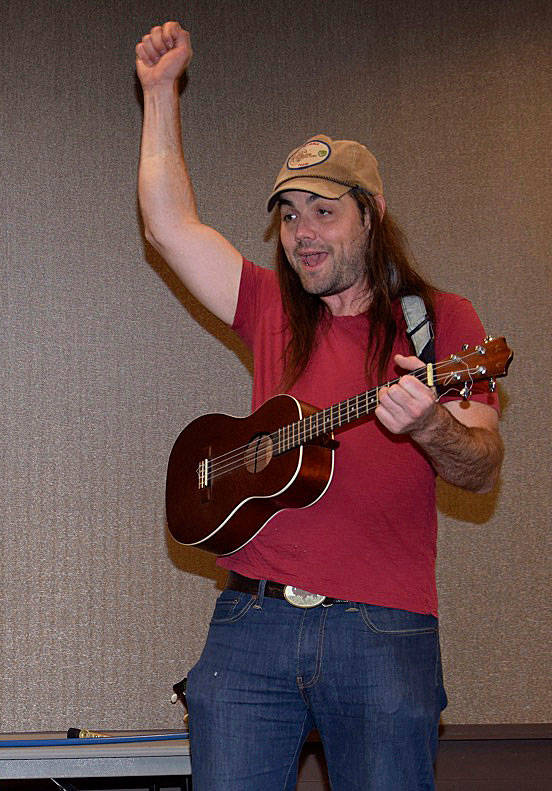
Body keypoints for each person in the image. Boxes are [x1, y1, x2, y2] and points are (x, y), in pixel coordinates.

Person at [135, 22, 504, 791]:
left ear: (372, 213)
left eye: (324, 212)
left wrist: (432, 422)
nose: (302, 233)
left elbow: (480, 462)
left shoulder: (441, 322)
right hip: (251, 625)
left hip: (382, 629)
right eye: (290, 213)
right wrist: (161, 92)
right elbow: (170, 228)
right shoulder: (269, 306)